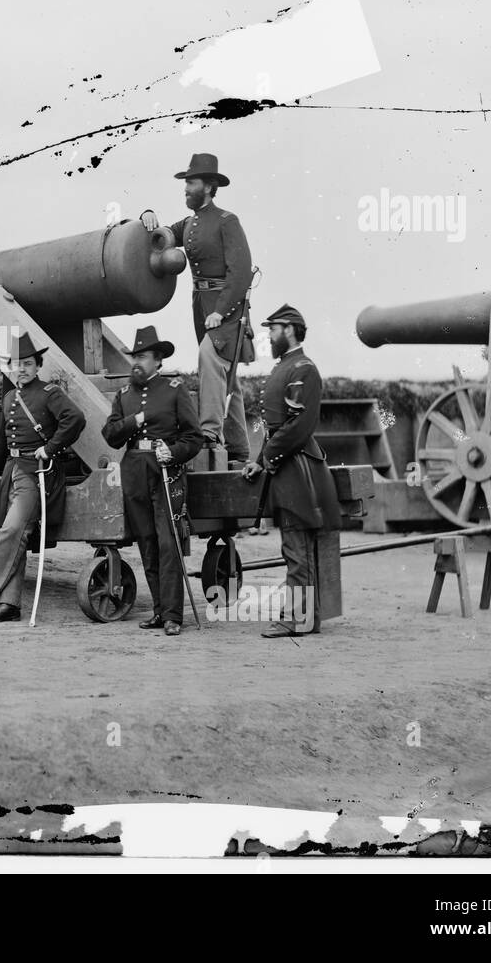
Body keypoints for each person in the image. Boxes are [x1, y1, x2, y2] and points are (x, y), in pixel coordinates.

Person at [140, 153, 254, 464]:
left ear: (209, 186)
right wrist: (147, 216)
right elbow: (162, 236)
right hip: (200, 307)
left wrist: (221, 310)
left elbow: (241, 273)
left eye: (191, 183)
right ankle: (240, 449)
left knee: (209, 358)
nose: (185, 188)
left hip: (226, 308)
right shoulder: (190, 223)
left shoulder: (227, 221)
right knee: (225, 373)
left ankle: (210, 435)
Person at [240, 304, 342, 637]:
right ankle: (306, 617)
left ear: (290, 330)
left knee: (296, 548)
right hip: (286, 467)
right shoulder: (287, 367)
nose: (269, 335)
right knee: (294, 547)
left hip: (299, 471)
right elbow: (274, 428)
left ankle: (295, 619)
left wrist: (268, 455)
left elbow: (299, 425)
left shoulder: (303, 368)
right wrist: (259, 459)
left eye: (274, 329)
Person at [102, 326, 205, 636]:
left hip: (166, 474)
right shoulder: (123, 395)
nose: (137, 362)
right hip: (134, 471)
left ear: (158, 360)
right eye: (135, 356)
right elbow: (110, 435)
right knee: (146, 541)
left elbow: (194, 438)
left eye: (143, 357)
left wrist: (172, 452)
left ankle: (174, 615)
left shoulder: (175, 389)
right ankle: (160, 611)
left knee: (167, 541)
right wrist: (135, 421)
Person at [0, 333, 86, 624]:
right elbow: (1, 442)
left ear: (38, 366)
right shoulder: (11, 396)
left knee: (13, 530)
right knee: (17, 534)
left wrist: (50, 448)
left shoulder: (49, 392)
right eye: (16, 364)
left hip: (37, 473)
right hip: (13, 473)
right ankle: (10, 605)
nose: (21, 369)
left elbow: (75, 419)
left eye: (27, 364)